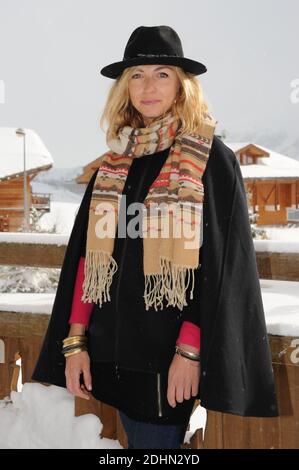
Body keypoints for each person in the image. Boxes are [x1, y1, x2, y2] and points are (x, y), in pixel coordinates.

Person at [32, 25, 279, 450]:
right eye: (137, 75)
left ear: (182, 86)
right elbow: (89, 261)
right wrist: (74, 342)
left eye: (162, 74)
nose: (148, 86)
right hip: (109, 353)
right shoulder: (115, 162)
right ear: (124, 88)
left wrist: (189, 350)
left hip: (167, 361)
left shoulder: (209, 159)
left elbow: (220, 267)